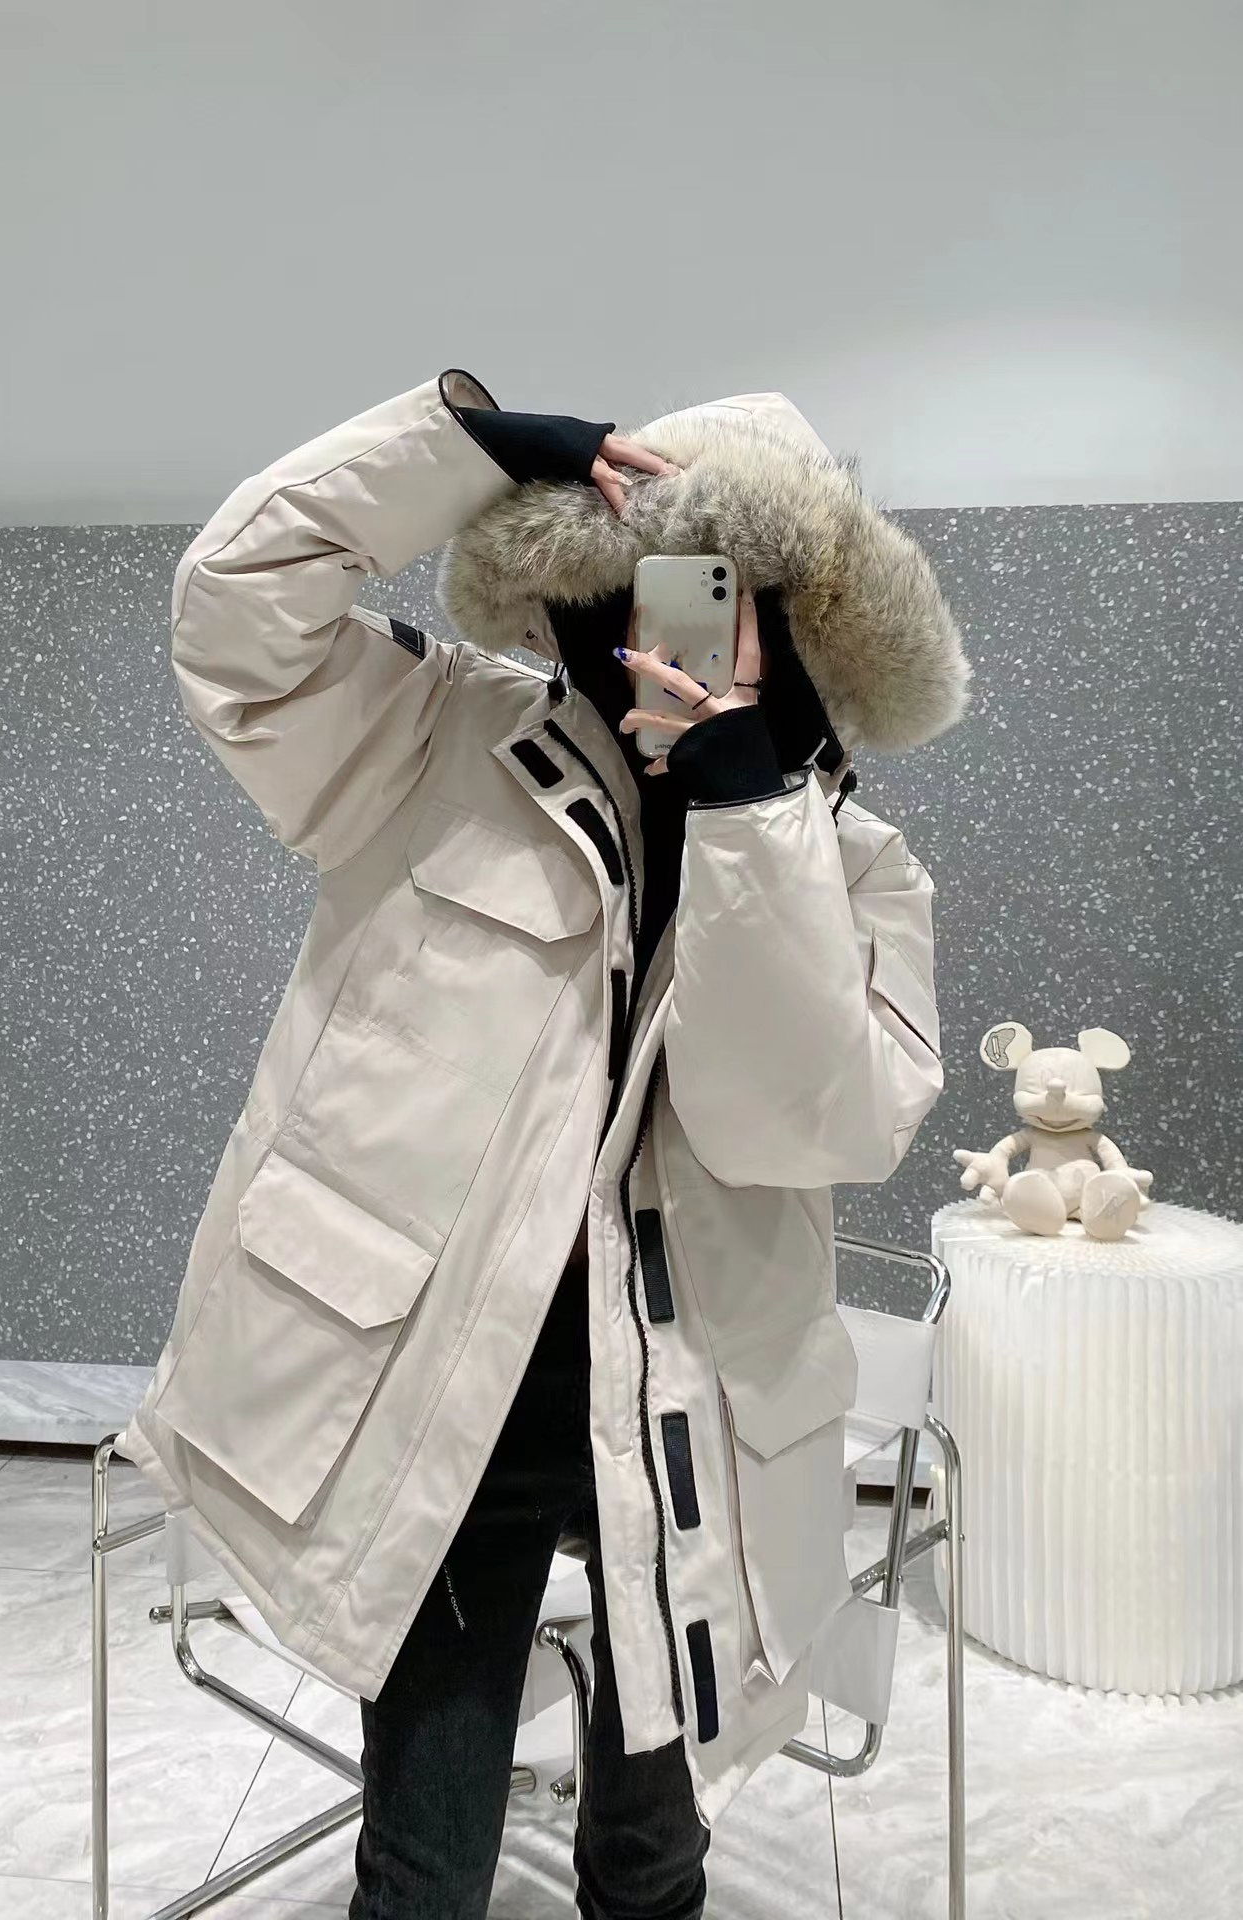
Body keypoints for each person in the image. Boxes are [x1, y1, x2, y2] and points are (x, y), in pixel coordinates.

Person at [120, 369, 970, 1919]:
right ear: (571, 592)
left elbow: (807, 1122)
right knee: (424, 1861)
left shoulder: (853, 862)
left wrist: (749, 812)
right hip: (435, 1383)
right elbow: (233, 619)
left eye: (723, 593)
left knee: (650, 1851)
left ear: (800, 624)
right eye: (629, 583)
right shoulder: (432, 736)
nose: (666, 624)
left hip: (693, 1405)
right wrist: (455, 449)